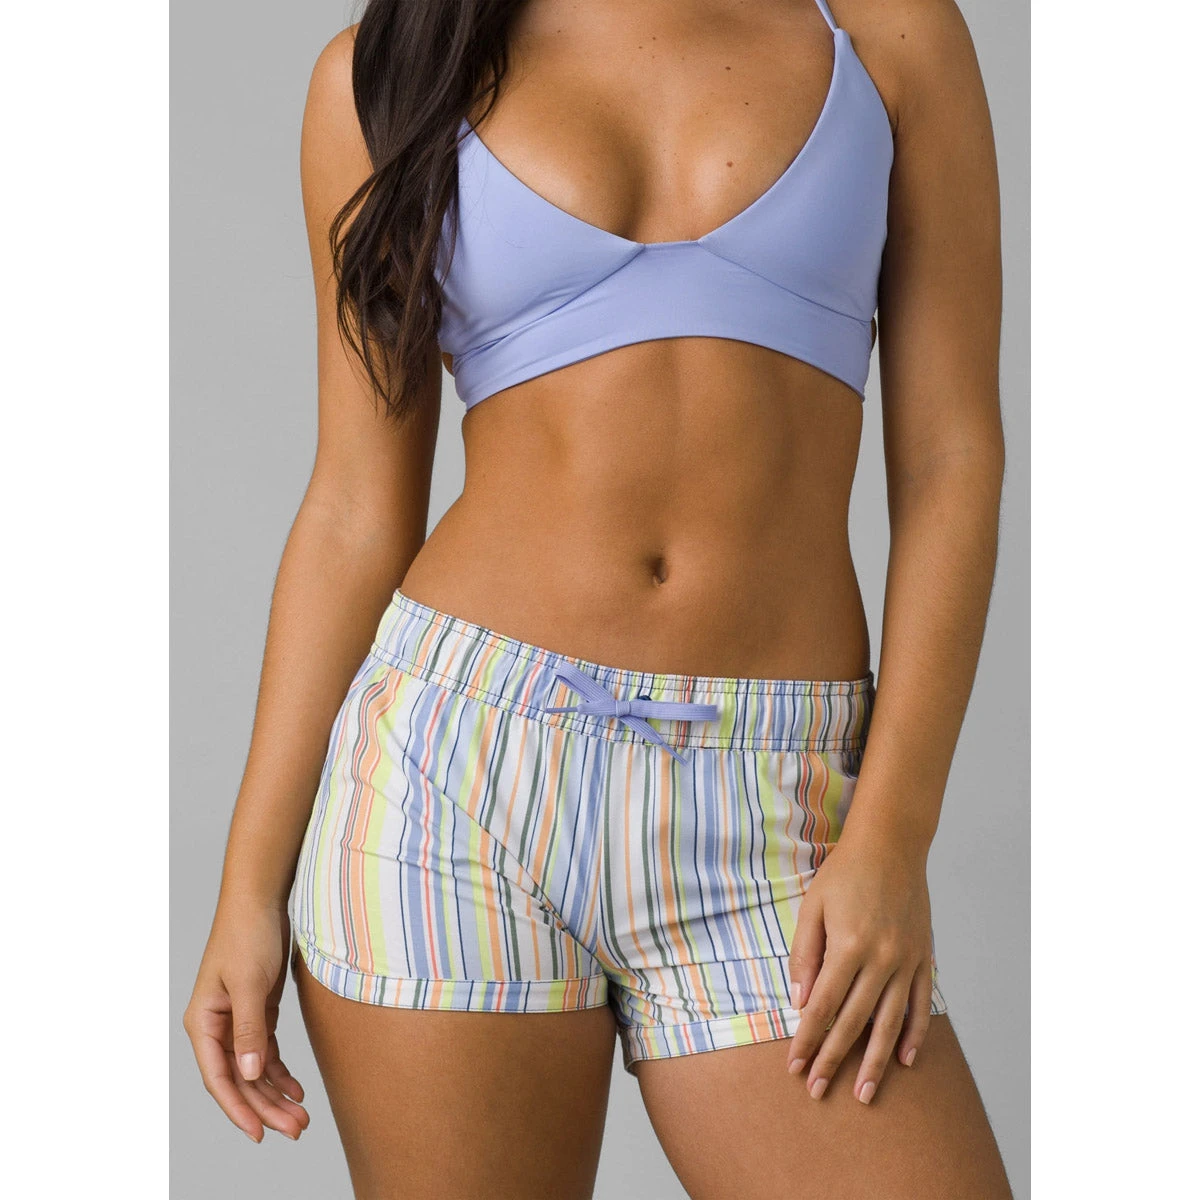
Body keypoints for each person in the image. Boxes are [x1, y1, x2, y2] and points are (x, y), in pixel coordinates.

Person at [184, 0, 1013, 1194]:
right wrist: (246, 888)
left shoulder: (883, 32)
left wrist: (894, 833)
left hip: (771, 794)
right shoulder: (389, 69)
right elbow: (355, 511)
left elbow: (952, 460)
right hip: (453, 784)